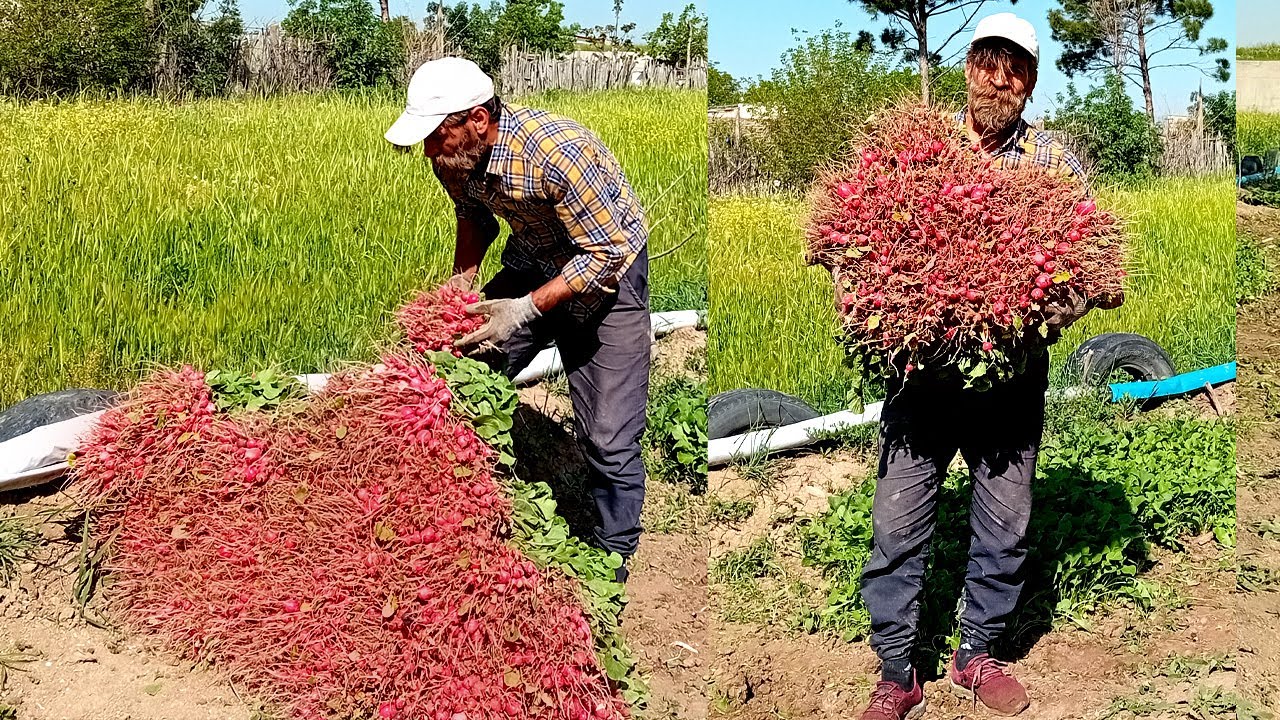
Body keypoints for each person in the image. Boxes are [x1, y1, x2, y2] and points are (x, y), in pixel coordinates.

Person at [857, 13, 1122, 720]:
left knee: (1005, 523)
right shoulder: (914, 149)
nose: (998, 78)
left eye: (1015, 68)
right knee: (896, 524)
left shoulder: (1054, 166)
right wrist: (862, 295)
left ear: (1030, 84)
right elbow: (857, 242)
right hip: (920, 379)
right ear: (968, 66)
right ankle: (896, 670)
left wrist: (1044, 315)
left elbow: (1084, 271)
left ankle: (976, 653)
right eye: (987, 61)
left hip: (1011, 382)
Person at [385, 57, 651, 583]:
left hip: (608, 269)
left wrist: (526, 309)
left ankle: (611, 555)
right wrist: (461, 289)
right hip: (533, 255)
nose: (430, 152)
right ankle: (456, 504)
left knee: (606, 436)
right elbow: (475, 217)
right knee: (452, 368)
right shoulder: (453, 160)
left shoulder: (558, 154)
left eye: (437, 137)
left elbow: (603, 254)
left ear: (477, 120)